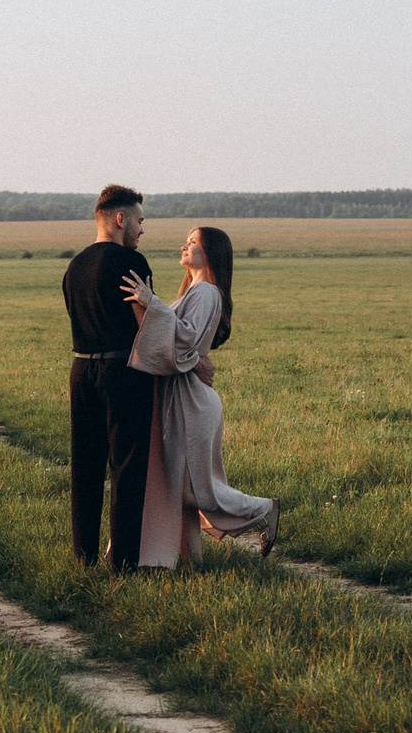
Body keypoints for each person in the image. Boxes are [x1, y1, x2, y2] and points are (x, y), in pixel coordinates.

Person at [123, 225, 280, 567]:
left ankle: (263, 509)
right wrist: (155, 309)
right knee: (178, 485)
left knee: (194, 488)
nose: (184, 245)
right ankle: (191, 561)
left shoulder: (207, 292)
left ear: (210, 252)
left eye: (193, 242)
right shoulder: (193, 291)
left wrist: (153, 304)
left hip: (191, 402)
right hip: (182, 397)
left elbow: (187, 341)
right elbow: (183, 342)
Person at [61, 185, 155, 569]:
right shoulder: (130, 263)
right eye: (138, 220)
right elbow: (148, 325)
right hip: (123, 369)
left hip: (81, 369)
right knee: (127, 467)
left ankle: (83, 556)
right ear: (120, 219)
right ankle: (125, 563)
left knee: (85, 464)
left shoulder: (73, 266)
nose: (141, 230)